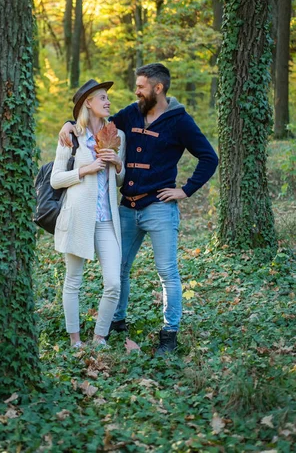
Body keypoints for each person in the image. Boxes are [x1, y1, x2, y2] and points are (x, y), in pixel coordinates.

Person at [59, 63, 218, 356]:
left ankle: (169, 333)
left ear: (158, 88)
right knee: (119, 268)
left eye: (141, 86)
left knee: (167, 272)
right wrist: (68, 125)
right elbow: (93, 122)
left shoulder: (180, 121)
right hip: (126, 208)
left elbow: (209, 157)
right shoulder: (131, 113)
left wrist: (185, 190)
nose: (136, 91)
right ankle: (117, 321)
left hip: (159, 207)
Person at [51, 79, 126, 348]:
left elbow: (119, 181)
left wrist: (118, 165)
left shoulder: (118, 136)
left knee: (114, 283)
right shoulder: (72, 136)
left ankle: (99, 337)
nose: (107, 101)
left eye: (108, 97)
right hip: (78, 218)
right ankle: (75, 341)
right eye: (102, 97)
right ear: (88, 103)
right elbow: (56, 180)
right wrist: (85, 169)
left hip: (107, 221)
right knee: (73, 281)